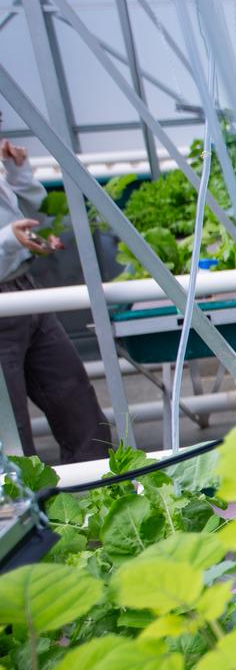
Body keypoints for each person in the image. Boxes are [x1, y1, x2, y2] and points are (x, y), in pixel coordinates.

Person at [0, 127, 112, 463]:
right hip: (6, 303)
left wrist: (18, 172)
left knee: (76, 401)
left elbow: (28, 212)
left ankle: (101, 492)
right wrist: (9, 240)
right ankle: (26, 509)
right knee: (11, 429)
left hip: (25, 290)